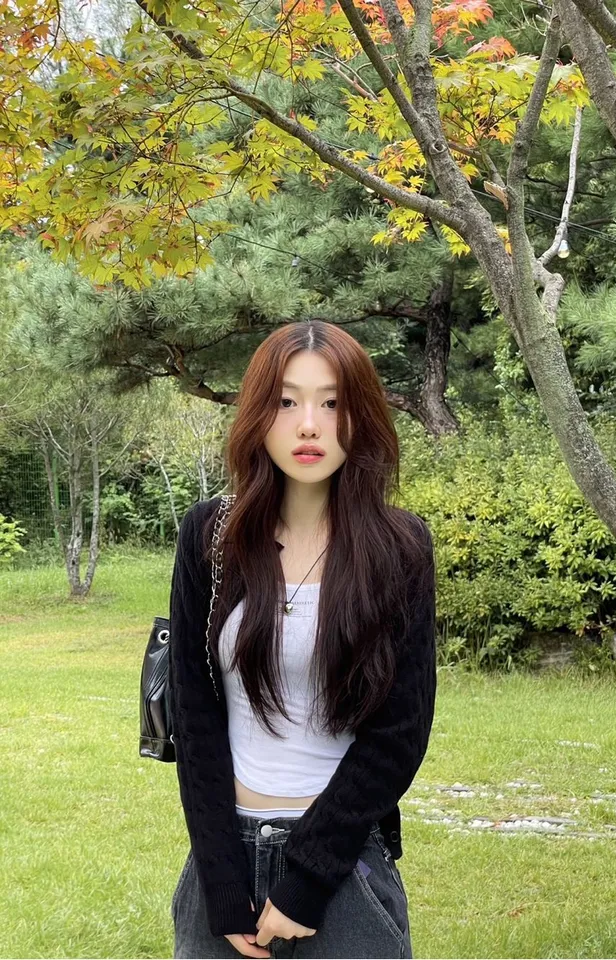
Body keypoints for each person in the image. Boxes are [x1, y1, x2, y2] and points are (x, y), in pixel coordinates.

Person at [168, 320, 437, 959]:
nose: (309, 425)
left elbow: (400, 733)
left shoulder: (399, 548)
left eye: (332, 403)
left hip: (344, 870)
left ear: (361, 416)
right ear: (259, 415)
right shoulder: (210, 536)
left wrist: (307, 880)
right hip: (223, 864)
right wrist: (222, 881)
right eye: (287, 402)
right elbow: (193, 713)